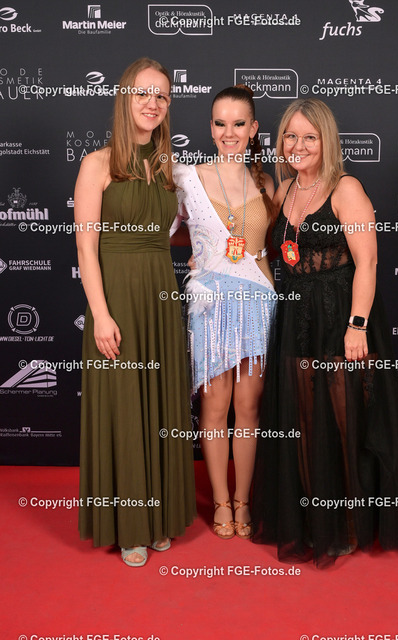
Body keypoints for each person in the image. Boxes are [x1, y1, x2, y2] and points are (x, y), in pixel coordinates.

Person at [251, 98, 398, 566]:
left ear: (326, 141)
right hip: (297, 316)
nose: (299, 144)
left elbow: (368, 262)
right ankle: (315, 521)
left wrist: (357, 325)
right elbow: (266, 249)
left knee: (346, 420)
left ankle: (348, 523)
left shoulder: (346, 189)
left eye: (309, 137)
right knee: (307, 420)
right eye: (291, 136)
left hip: (341, 314)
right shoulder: (284, 190)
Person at [75, 58, 196, 567]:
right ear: (125, 97)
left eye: (162, 95)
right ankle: (128, 526)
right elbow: (86, 248)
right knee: (125, 407)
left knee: (159, 406)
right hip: (117, 299)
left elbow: (178, 233)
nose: (152, 103)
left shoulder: (168, 167)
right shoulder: (97, 164)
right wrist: (101, 315)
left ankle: (159, 518)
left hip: (159, 297)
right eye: (144, 92)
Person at [171, 85, 275, 540]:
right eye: (220, 123)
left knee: (248, 407)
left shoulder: (267, 183)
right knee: (214, 407)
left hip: (257, 303)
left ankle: (243, 500)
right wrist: (204, 251)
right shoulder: (188, 177)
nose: (228, 132)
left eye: (238, 124)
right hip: (211, 305)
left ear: (253, 129)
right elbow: (168, 233)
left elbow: (265, 250)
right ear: (210, 127)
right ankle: (220, 501)